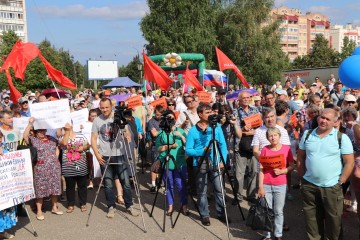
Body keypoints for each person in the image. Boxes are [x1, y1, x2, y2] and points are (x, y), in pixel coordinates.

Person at [297, 108, 354, 240]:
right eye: (322, 117)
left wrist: (340, 181)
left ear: (335, 122)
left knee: (334, 225)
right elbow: (300, 157)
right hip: (309, 186)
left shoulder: (341, 137)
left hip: (332, 187)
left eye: (328, 119)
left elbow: (349, 163)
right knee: (312, 223)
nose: (323, 121)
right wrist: (303, 177)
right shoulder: (307, 134)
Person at [91, 98, 139, 218]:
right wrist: (97, 155)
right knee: (108, 184)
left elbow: (127, 132)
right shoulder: (97, 120)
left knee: (126, 182)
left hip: (119, 154)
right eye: (102, 108)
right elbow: (93, 139)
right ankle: (111, 206)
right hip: (105, 156)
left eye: (106, 107)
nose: (104, 110)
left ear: (111, 107)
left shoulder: (118, 117)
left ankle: (129, 205)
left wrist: (125, 132)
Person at [185, 103, 228, 226]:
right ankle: (204, 215)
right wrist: (201, 151)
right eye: (207, 112)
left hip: (215, 162)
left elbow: (223, 145)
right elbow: (188, 150)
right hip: (199, 163)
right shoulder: (193, 131)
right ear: (200, 114)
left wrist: (222, 161)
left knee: (219, 190)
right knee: (201, 191)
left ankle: (221, 213)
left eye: (211, 112)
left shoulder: (216, 127)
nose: (211, 114)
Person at [23, 117, 63, 221]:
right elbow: (25, 136)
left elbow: (58, 147)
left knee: (55, 188)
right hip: (40, 168)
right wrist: (29, 124)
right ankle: (39, 210)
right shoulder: (33, 140)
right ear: (35, 132)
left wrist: (55, 158)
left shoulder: (52, 138)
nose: (41, 133)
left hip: (54, 167)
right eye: (39, 131)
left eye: (43, 130)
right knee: (40, 189)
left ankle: (54, 207)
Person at [258, 127, 294, 240]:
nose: (273, 138)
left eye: (275, 135)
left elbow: (292, 166)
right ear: (268, 138)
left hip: (280, 183)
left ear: (279, 136)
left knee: (278, 210)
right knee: (267, 210)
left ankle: (278, 234)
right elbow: (261, 169)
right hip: (266, 183)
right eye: (270, 136)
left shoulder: (286, 149)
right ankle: (266, 234)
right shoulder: (265, 149)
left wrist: (283, 171)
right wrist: (260, 187)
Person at [156, 110, 189, 215]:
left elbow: (188, 147)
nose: (170, 121)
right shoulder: (161, 133)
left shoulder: (181, 131)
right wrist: (169, 146)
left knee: (180, 185)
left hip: (180, 163)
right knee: (169, 184)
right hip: (167, 162)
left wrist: (182, 137)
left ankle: (184, 206)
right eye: (168, 118)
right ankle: (170, 206)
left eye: (172, 118)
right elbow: (158, 148)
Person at [233, 91, 259, 204]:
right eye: (244, 98)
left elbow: (259, 129)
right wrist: (244, 130)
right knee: (239, 173)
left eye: (248, 97)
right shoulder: (235, 112)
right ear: (239, 99)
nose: (246, 99)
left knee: (253, 172)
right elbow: (236, 131)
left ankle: (251, 195)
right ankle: (238, 196)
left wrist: (247, 132)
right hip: (240, 146)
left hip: (254, 146)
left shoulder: (255, 110)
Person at [60, 123, 90, 213]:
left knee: (82, 186)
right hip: (68, 167)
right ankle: (70, 204)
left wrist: (83, 147)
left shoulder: (81, 135)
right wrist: (67, 132)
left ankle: (83, 203)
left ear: (72, 124)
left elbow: (88, 145)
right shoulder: (62, 137)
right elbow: (64, 143)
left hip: (81, 165)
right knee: (70, 187)